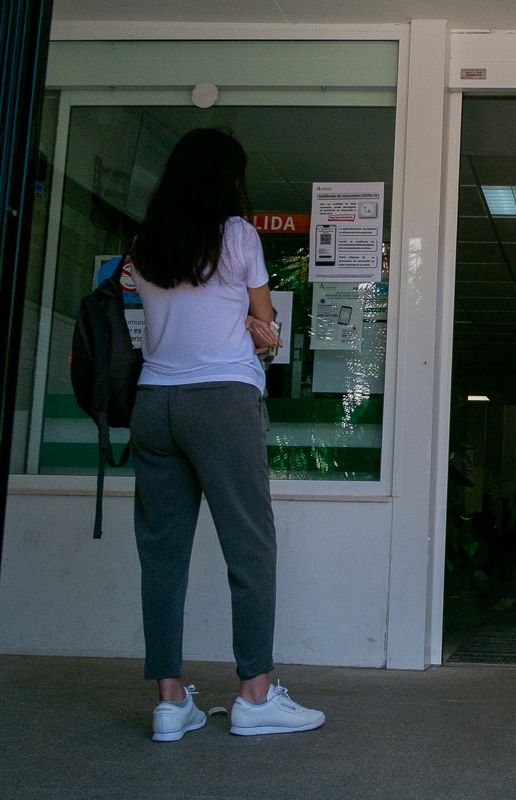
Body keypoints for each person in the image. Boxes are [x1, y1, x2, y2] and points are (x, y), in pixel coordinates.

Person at [129, 128, 325, 742]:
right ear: (227, 180)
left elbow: (170, 306)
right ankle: (255, 695)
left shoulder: (147, 240)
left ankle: (169, 703)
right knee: (250, 547)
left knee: (162, 556)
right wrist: (250, 320)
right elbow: (265, 323)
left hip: (154, 402)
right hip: (221, 401)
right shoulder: (239, 235)